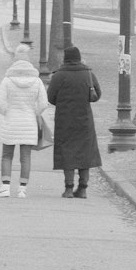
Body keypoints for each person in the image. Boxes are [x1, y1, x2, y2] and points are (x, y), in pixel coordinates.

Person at [0, 43, 49, 199]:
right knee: (25, 157)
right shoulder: (36, 81)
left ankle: (5, 187)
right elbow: (44, 103)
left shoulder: (8, 80)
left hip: (11, 121)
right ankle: (22, 189)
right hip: (29, 122)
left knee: (7, 155)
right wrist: (34, 112)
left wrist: (7, 111)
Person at [46, 44, 102, 197]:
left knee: (67, 151)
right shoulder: (88, 74)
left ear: (65, 59)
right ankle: (83, 188)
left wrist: (63, 102)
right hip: (84, 119)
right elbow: (98, 94)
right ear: (78, 58)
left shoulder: (58, 75)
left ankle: (69, 188)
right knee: (85, 152)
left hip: (65, 119)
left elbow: (50, 97)